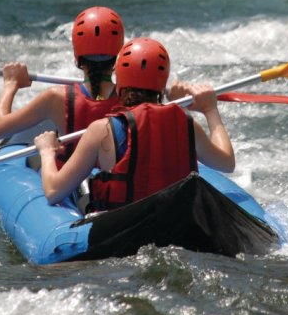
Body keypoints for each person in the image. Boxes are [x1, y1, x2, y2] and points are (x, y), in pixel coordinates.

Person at [34, 37, 235, 209]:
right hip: (178, 223)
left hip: (124, 231)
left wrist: (46, 151)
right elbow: (226, 163)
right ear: (162, 82)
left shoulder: (101, 129)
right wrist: (210, 110)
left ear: (119, 79)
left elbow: (53, 191)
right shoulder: (185, 122)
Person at [0, 6, 124, 167]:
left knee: (33, 160)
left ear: (77, 56)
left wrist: (10, 84)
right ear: (118, 55)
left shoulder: (55, 98)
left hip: (66, 183)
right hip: (114, 183)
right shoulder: (130, 98)